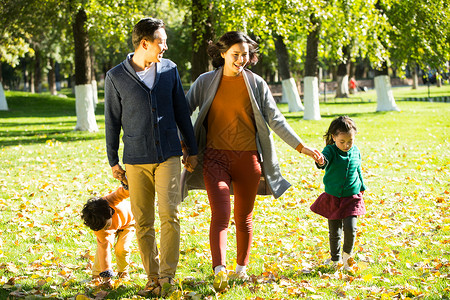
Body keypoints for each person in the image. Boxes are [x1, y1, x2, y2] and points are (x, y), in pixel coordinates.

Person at [182, 31, 323, 291]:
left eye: (245, 55)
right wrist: (185, 146)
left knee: (244, 217)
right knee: (221, 214)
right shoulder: (205, 82)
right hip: (214, 158)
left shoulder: (257, 83)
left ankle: (241, 270)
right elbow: (184, 111)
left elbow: (276, 119)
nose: (241, 60)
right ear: (222, 53)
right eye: (235, 54)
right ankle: (220, 270)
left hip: (248, 160)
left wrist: (302, 148)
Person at [104, 17, 198, 296]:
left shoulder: (169, 69)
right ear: (144, 43)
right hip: (135, 157)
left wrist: (191, 149)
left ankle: (168, 276)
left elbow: (182, 111)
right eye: (161, 42)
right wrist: (113, 161)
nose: (165, 47)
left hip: (168, 153)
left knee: (170, 214)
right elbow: (112, 120)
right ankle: (152, 276)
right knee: (143, 221)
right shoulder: (116, 76)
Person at [310, 116, 366, 271]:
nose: (347, 145)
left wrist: (362, 186)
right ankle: (336, 260)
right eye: (342, 141)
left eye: (350, 141)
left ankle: (347, 257)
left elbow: (358, 169)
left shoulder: (355, 151)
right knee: (335, 231)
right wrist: (321, 161)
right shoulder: (330, 150)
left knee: (351, 227)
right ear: (334, 137)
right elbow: (324, 161)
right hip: (333, 196)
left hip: (352, 196)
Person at [81, 181, 134, 289]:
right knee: (102, 248)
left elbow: (122, 193)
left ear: (108, 213)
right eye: (102, 228)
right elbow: (105, 252)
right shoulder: (101, 229)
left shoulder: (110, 201)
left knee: (122, 249)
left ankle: (123, 272)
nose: (105, 229)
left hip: (129, 223)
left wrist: (128, 186)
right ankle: (97, 274)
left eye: (106, 226)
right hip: (113, 229)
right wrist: (107, 278)